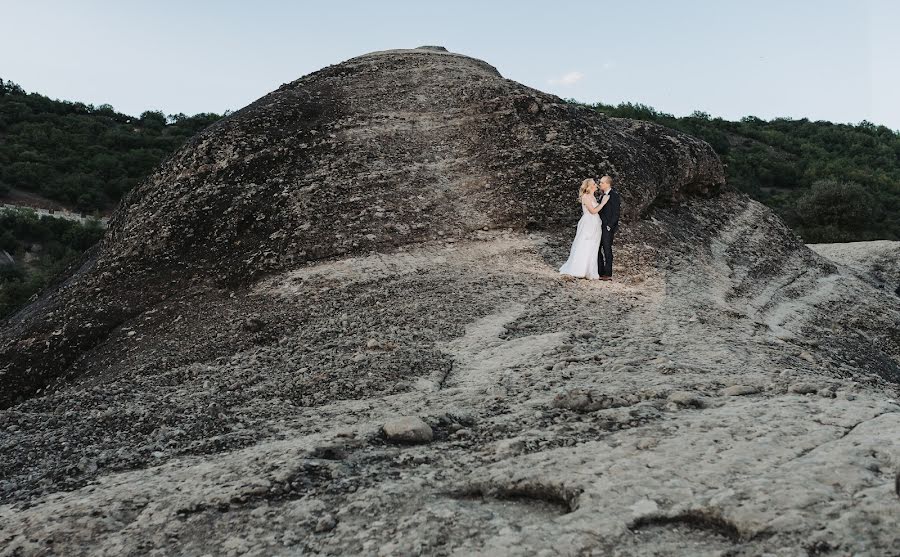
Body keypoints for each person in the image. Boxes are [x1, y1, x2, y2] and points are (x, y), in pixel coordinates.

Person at [559, 178, 609, 279]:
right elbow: (593, 211)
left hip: (595, 223)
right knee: (584, 243)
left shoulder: (593, 197)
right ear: (589, 186)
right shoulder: (586, 197)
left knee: (593, 245)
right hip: (588, 223)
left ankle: (589, 270)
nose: (596, 185)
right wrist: (603, 203)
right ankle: (578, 269)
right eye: (594, 184)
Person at [596, 175, 621, 280]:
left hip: (607, 227)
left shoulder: (614, 195)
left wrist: (609, 226)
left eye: (601, 182)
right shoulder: (603, 195)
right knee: (597, 248)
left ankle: (608, 273)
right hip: (599, 226)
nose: (600, 184)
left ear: (607, 184)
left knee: (607, 249)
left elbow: (616, 213)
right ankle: (600, 272)